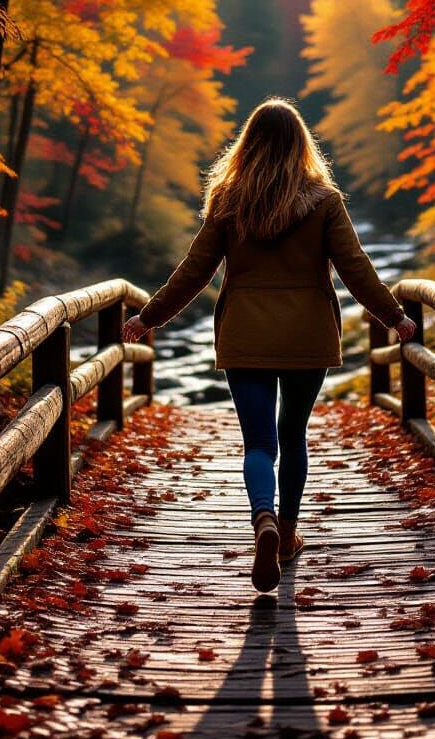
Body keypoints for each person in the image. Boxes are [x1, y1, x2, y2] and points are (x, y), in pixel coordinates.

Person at [122, 99, 416, 593]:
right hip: (307, 333)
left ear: (248, 143)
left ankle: (263, 518)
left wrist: (149, 316)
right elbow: (354, 267)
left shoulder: (227, 200)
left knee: (259, 443)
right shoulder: (324, 201)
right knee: (294, 432)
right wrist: (394, 316)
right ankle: (287, 536)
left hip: (246, 333)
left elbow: (195, 270)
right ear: (302, 143)